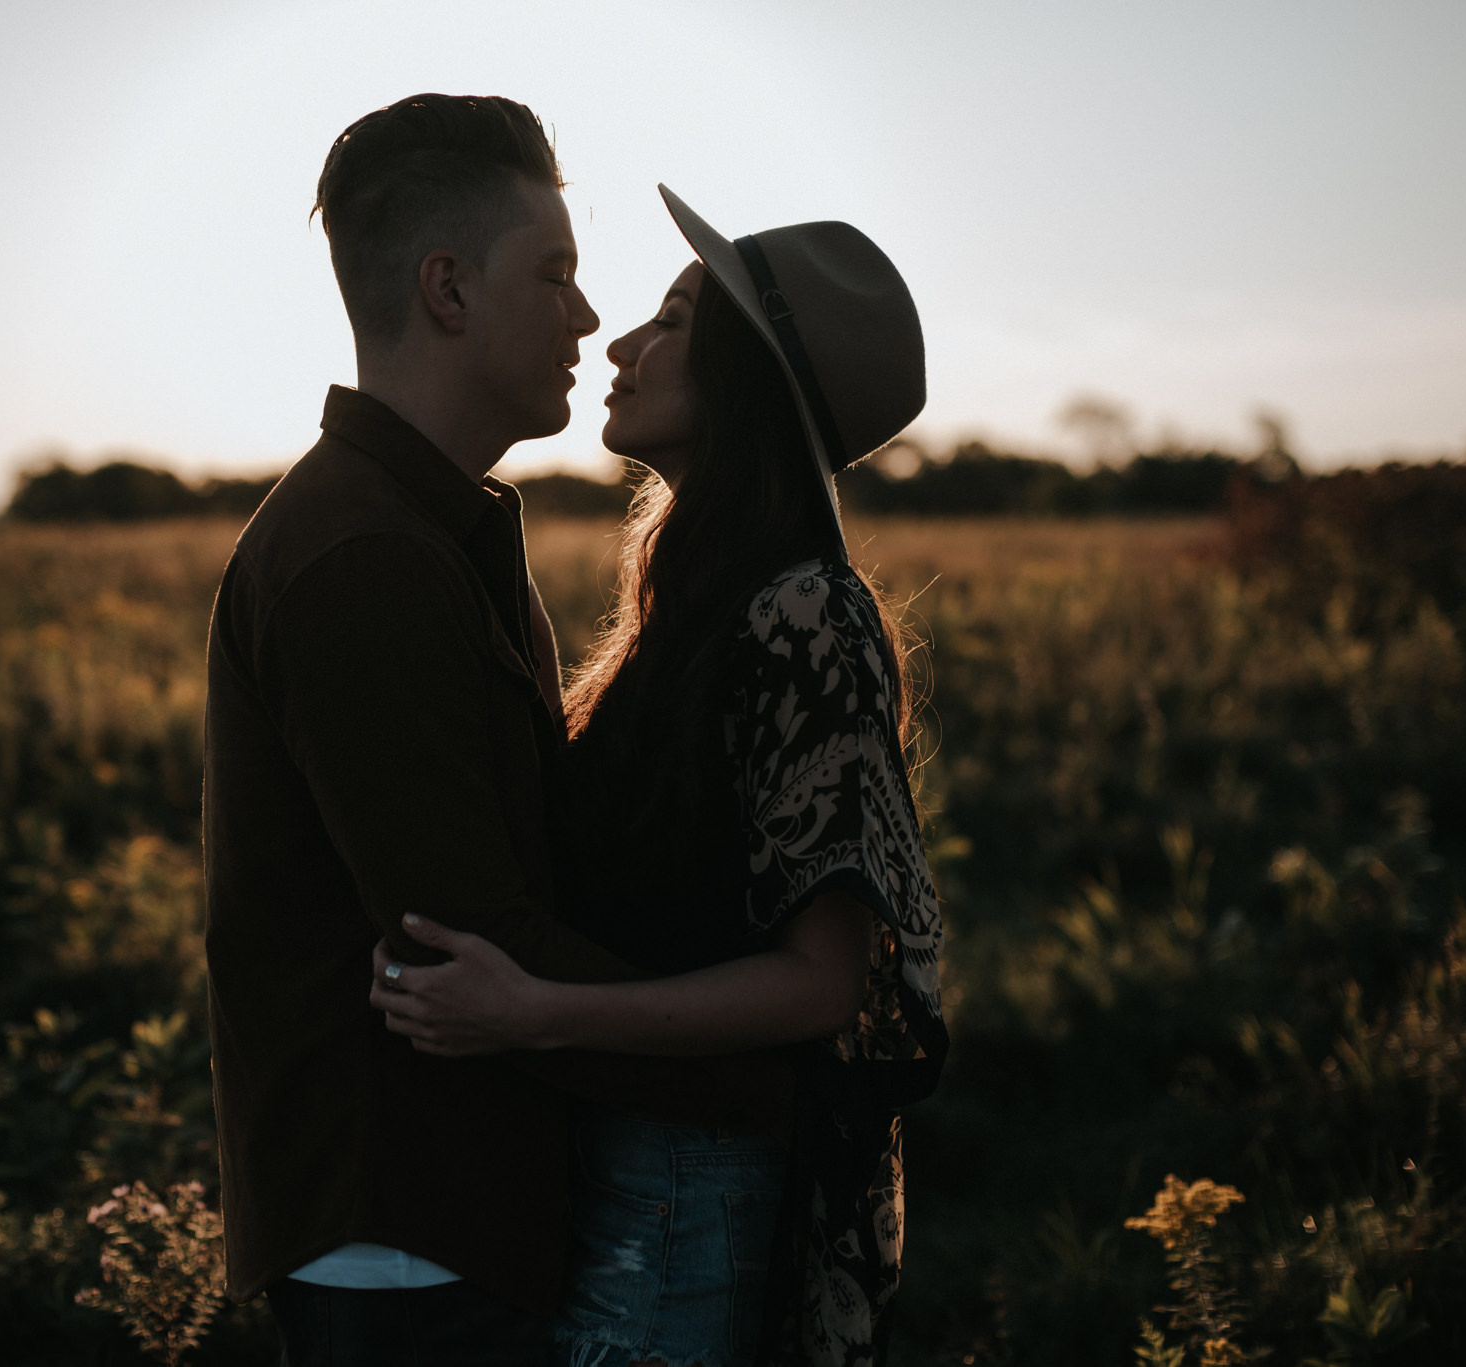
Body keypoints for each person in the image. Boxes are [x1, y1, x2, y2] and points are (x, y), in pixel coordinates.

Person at [201, 98, 794, 1367]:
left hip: (460, 1216)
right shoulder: (360, 558)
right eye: (558, 274)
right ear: (447, 289)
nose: (587, 317)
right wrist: (768, 1068)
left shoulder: (433, 533)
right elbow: (463, 944)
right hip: (410, 1234)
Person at [369, 187, 949, 1367]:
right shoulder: (693, 609)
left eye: (673, 318)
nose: (620, 343)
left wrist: (534, 1012)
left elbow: (819, 984)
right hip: (628, 1167)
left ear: (745, 381)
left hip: (690, 1195)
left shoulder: (804, 614)